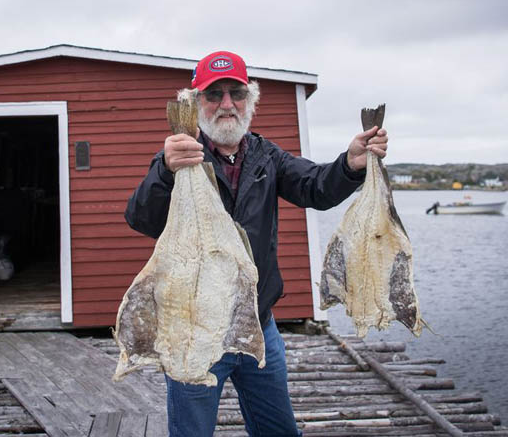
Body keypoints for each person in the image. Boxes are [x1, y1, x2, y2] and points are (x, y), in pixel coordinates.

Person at [124, 50, 388, 437]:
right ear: (196, 104)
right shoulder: (176, 160)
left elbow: (314, 186)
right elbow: (140, 218)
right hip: (194, 330)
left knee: (278, 431)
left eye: (236, 93)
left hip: (260, 328)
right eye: (214, 95)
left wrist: (349, 164)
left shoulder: (268, 157)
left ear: (251, 101)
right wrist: (164, 171)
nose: (226, 104)